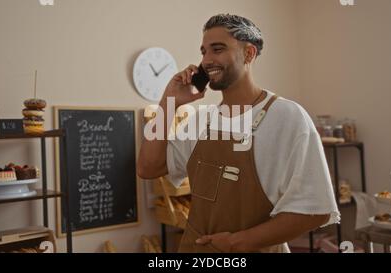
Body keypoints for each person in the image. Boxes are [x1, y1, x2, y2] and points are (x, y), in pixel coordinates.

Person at [137, 14, 339, 253]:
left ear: (249, 54)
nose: (207, 60)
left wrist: (236, 243)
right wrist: (168, 102)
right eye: (203, 52)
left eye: (217, 49)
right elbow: (148, 168)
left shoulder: (287, 117)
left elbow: (315, 211)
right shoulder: (201, 120)